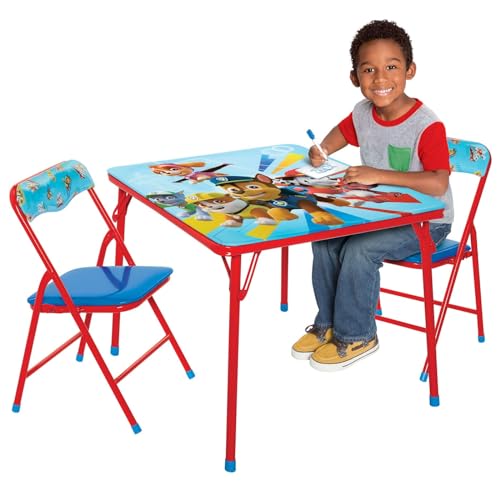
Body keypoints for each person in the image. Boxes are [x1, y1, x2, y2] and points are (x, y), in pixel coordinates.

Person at [291, 20, 453, 371]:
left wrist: (377, 174)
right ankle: (328, 322)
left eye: (391, 67)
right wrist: (322, 149)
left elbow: (438, 184)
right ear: (355, 77)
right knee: (325, 237)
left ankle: (357, 334)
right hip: (378, 213)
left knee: (359, 250)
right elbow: (343, 132)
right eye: (369, 70)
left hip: (427, 221)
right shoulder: (363, 113)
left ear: (409, 70)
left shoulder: (427, 125)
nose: (380, 79)